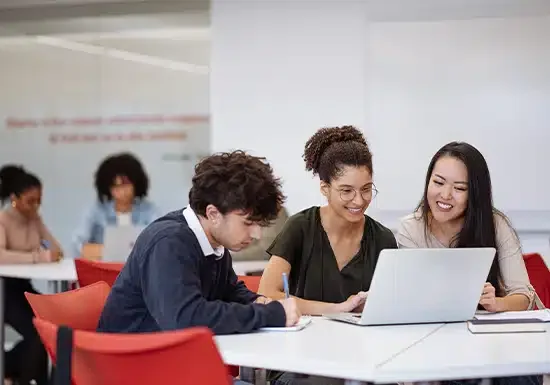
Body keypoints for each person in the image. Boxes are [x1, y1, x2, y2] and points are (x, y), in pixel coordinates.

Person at [97, 150, 300, 337]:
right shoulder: (169, 242)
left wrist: (255, 301)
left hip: (168, 357)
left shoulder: (213, 241)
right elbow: (186, 317)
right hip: (130, 363)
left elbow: (228, 290)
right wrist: (270, 315)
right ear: (213, 214)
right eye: (248, 223)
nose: (256, 234)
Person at [258, 126, 397, 385]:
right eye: (346, 191)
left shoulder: (383, 238)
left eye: (367, 189)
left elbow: (392, 308)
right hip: (300, 361)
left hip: (362, 360)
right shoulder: (300, 227)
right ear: (325, 188)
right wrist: (336, 309)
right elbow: (268, 294)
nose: (359, 200)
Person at [396, 141, 541, 385]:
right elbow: (414, 299)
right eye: (438, 182)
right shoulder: (410, 229)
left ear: (474, 193)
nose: (445, 195)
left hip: (494, 344)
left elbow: (523, 294)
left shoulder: (495, 225)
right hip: (435, 342)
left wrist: (497, 303)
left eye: (459, 188)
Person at [0, 165, 62, 385]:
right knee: (36, 331)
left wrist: (47, 250)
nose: (35, 206)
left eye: (39, 200)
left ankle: (22, 375)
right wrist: (36, 257)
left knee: (50, 327)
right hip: (4, 291)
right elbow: (1, 255)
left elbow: (52, 247)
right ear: (14, 198)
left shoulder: (35, 220)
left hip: (23, 288)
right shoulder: (3, 220)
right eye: (30, 201)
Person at [71, 152, 160, 259]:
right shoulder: (96, 211)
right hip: (104, 269)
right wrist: (110, 251)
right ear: (107, 187)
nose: (121, 191)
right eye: (115, 186)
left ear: (136, 183)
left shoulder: (149, 211)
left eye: (126, 185)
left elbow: (160, 243)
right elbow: (78, 245)